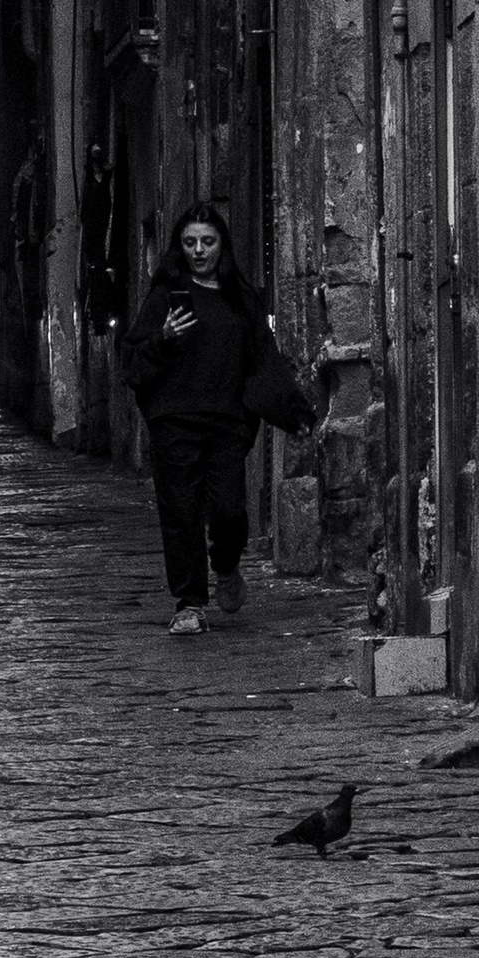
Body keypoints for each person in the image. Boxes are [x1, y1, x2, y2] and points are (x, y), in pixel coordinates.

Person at [122, 200, 284, 635]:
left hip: (227, 422)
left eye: (207, 241)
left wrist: (293, 413)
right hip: (174, 420)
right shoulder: (164, 296)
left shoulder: (240, 300)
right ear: (179, 246)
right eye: (190, 241)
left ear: (221, 246)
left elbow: (264, 361)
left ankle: (227, 564)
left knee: (230, 511)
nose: (198, 250)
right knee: (180, 512)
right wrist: (164, 338)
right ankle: (190, 602)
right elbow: (133, 363)